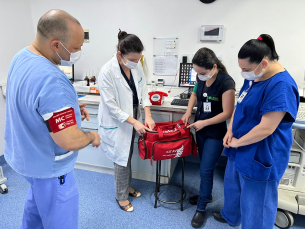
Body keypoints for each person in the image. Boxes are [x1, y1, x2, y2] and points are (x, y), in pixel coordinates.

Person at [4, 10, 100, 229]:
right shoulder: (52, 79)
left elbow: (32, 103)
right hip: (51, 169)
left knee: (35, 214)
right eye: (76, 48)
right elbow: (69, 140)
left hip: (28, 160)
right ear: (56, 44)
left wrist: (69, 106)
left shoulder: (21, 57)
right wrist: (92, 136)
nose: (78, 52)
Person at [213, 34, 299, 229]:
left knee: (256, 203)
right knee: (233, 186)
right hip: (239, 144)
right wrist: (230, 131)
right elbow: (240, 104)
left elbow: (266, 128)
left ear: (264, 63)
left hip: (261, 150)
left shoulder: (281, 85)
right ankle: (231, 216)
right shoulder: (255, 77)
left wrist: (236, 142)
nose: (242, 72)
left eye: (246, 69)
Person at [98, 30, 155, 212]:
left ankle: (126, 187)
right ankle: (121, 196)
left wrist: (148, 115)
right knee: (121, 158)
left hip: (133, 116)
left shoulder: (136, 65)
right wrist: (134, 122)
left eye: (138, 59)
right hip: (118, 120)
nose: (136, 63)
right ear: (120, 55)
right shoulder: (107, 72)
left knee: (128, 155)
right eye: (133, 59)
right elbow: (111, 107)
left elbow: (144, 90)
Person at [181, 47, 235, 228]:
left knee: (205, 170)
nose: (199, 75)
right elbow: (195, 93)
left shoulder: (226, 82)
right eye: (196, 72)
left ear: (213, 67)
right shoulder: (200, 77)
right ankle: (207, 194)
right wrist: (189, 111)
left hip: (214, 134)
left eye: (201, 72)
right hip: (201, 131)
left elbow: (228, 113)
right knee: (204, 167)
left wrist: (205, 123)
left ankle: (201, 208)